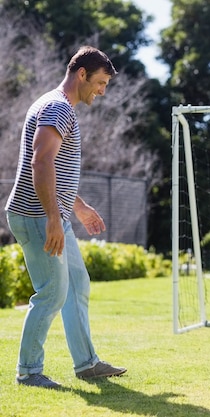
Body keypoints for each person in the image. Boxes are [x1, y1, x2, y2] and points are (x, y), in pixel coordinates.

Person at [5, 46, 127, 389]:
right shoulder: (57, 108)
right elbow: (40, 163)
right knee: (52, 294)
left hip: (51, 214)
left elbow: (54, 170)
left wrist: (78, 206)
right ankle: (29, 372)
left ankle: (87, 364)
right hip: (36, 217)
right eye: (101, 82)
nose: (102, 90)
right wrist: (53, 219)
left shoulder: (58, 106)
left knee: (76, 285)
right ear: (82, 74)